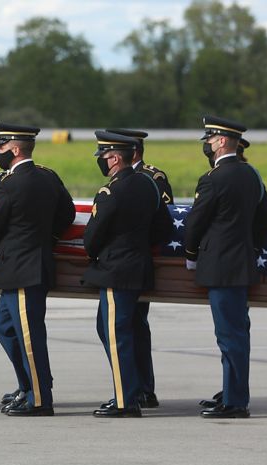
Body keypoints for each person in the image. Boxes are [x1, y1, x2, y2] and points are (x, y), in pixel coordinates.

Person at [0, 124, 75, 417]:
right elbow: (67, 213)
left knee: (29, 335)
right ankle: (29, 386)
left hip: (22, 268)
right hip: (31, 265)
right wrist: (49, 238)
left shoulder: (9, 183)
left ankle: (40, 399)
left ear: (16, 149)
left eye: (2, 146)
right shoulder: (48, 176)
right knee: (4, 327)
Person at [185, 116, 267, 419]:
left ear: (222, 141)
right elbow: (266, 219)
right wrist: (251, 245)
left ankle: (235, 402)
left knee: (229, 335)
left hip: (221, 266)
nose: (207, 145)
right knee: (236, 333)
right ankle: (232, 391)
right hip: (241, 263)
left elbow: (196, 221)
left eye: (210, 139)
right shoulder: (252, 175)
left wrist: (190, 251)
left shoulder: (213, 178)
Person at [82, 131, 172, 418]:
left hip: (115, 270)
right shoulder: (148, 186)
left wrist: (99, 253)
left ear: (116, 157)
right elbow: (164, 228)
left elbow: (92, 237)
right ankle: (135, 390)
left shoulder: (111, 191)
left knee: (116, 333)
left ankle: (125, 400)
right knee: (123, 329)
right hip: (139, 266)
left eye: (104, 157)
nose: (102, 162)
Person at [105, 128, 174, 409]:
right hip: (130, 259)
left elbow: (163, 221)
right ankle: (137, 388)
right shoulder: (116, 180)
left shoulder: (153, 177)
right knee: (128, 325)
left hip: (137, 260)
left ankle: (142, 388)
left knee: (134, 325)